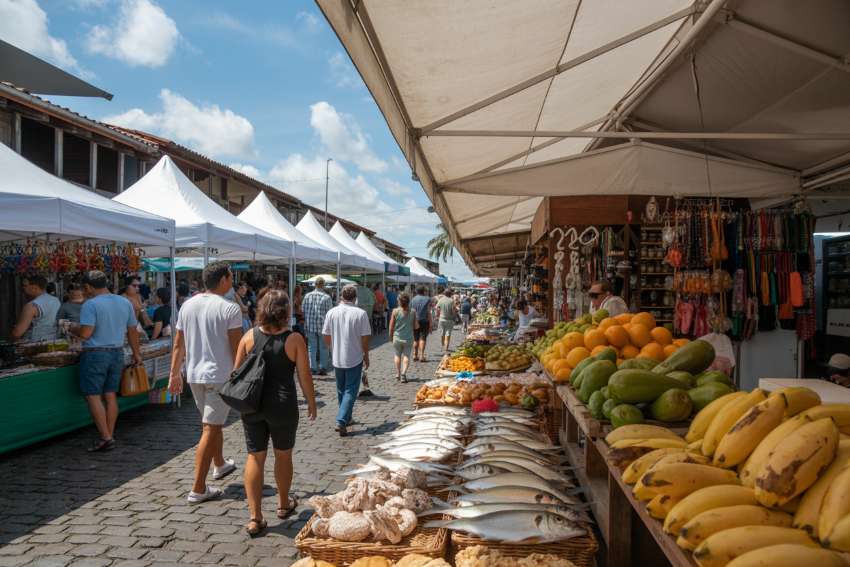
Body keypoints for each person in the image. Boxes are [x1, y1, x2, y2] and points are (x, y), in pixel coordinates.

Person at [234, 290, 317, 537]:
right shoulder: (294, 339)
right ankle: (283, 504)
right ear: (285, 311)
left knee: (254, 457)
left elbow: (236, 372)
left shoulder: (248, 337)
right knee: (283, 455)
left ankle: (255, 516)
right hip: (283, 405)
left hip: (252, 405)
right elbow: (304, 375)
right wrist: (311, 401)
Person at [168, 261, 242, 504]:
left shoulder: (187, 305)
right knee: (210, 428)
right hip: (220, 375)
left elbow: (179, 344)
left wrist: (174, 373)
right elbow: (237, 348)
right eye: (231, 276)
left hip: (195, 374)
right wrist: (242, 373)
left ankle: (219, 464)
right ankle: (198, 487)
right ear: (223, 280)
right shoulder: (230, 309)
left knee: (211, 425)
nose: (232, 281)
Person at [70, 270, 142, 452]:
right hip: (117, 353)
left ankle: (106, 436)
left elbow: (86, 333)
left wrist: (72, 327)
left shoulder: (90, 304)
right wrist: (136, 353)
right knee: (110, 395)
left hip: (96, 354)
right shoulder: (124, 302)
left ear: (88, 287)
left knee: (93, 395)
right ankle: (108, 435)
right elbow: (133, 330)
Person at [323, 285, 371, 437]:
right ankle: (342, 420)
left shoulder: (332, 312)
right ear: (355, 297)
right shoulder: (360, 313)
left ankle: (346, 417)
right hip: (354, 356)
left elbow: (326, 335)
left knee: (341, 389)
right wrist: (366, 354)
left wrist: (332, 347)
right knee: (350, 390)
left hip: (337, 357)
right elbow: (365, 338)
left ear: (341, 296)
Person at [11, 275, 61, 342]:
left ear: (34, 288)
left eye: (25, 286)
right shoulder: (56, 300)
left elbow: (17, 333)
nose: (22, 288)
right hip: (54, 342)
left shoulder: (31, 306)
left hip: (35, 344)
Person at [302, 277, 333, 376]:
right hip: (323, 326)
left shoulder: (307, 296)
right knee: (324, 347)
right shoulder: (327, 297)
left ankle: (313, 368)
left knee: (312, 347)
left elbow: (303, 310)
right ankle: (323, 368)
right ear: (323, 285)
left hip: (310, 325)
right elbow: (330, 313)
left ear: (315, 284)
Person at [389, 293, 417, 383]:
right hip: (408, 338)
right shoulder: (413, 311)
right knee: (406, 356)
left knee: (397, 355)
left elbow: (391, 327)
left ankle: (397, 373)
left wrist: (390, 337)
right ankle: (403, 374)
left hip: (397, 337)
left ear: (399, 301)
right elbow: (416, 326)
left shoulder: (395, 311)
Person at [411, 286, 433, 363]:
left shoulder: (413, 299)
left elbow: (411, 311)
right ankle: (422, 355)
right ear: (424, 291)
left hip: (415, 321)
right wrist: (431, 323)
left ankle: (415, 354)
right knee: (423, 338)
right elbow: (429, 312)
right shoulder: (428, 299)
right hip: (425, 321)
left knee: (415, 338)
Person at [436, 288, 457, 353]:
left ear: (444, 293)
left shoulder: (441, 300)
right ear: (450, 294)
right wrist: (454, 316)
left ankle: (443, 345)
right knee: (448, 334)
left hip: (442, 319)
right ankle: (446, 347)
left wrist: (438, 315)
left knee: (442, 333)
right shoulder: (451, 301)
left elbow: (437, 308)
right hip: (450, 319)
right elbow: (453, 311)